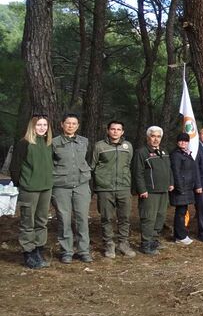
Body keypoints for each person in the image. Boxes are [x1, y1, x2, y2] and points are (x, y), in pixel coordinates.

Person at [10, 115, 53, 269]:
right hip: (29, 189)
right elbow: (15, 166)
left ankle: (38, 250)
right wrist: (20, 184)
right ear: (32, 127)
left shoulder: (48, 143)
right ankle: (28, 253)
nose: (42, 128)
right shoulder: (24, 143)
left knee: (42, 221)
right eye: (39, 125)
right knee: (28, 222)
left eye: (45, 125)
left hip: (46, 188)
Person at [51, 113, 93, 264]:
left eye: (74, 123)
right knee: (64, 219)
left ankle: (83, 251)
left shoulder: (84, 141)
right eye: (68, 123)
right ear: (62, 124)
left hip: (81, 185)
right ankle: (66, 251)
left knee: (82, 218)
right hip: (61, 186)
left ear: (78, 126)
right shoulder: (54, 142)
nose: (71, 126)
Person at [92, 120, 136, 258]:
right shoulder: (99, 146)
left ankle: (123, 243)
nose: (115, 131)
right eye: (113, 129)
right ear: (108, 130)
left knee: (124, 217)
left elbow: (128, 164)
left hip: (123, 187)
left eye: (118, 129)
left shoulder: (127, 146)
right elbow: (93, 166)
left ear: (122, 132)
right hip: (105, 188)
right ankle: (109, 244)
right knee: (106, 217)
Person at [132, 126, 174, 255]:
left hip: (163, 191)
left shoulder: (164, 152)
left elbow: (169, 169)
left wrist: (171, 182)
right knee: (148, 218)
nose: (156, 139)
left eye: (158, 136)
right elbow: (137, 173)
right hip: (149, 192)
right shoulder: (142, 152)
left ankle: (154, 240)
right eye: (153, 136)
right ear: (148, 137)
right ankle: (146, 243)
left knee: (160, 217)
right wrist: (142, 190)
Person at [169, 132, 202, 245]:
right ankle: (180, 236)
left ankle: (180, 234)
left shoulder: (187, 154)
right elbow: (176, 172)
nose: (183, 142)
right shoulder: (176, 155)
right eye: (181, 140)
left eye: (185, 141)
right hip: (181, 189)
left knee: (182, 212)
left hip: (187, 188)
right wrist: (180, 188)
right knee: (180, 212)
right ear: (177, 142)